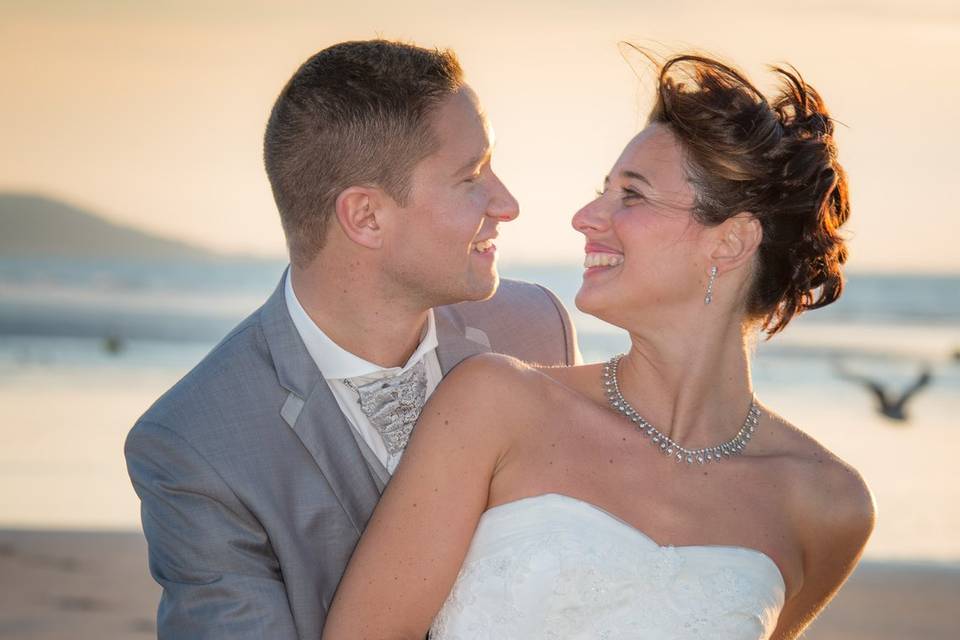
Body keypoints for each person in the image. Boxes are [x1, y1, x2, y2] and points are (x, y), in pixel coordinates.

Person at [322, 54, 875, 640]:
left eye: (631, 196)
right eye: (601, 192)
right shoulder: (493, 405)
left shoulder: (828, 506)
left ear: (732, 241)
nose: (586, 218)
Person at [124, 39, 579, 639]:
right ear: (365, 216)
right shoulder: (196, 446)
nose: (508, 203)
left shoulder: (533, 328)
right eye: (471, 176)